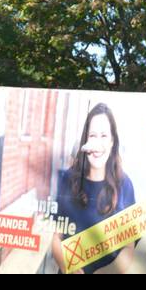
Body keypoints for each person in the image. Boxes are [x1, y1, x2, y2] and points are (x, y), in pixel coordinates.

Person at [50, 103, 137, 274]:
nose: (97, 143)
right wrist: (71, 269)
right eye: (92, 135)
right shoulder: (67, 179)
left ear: (112, 141)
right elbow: (56, 238)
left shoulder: (125, 184)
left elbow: (129, 247)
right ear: (85, 141)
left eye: (104, 136)